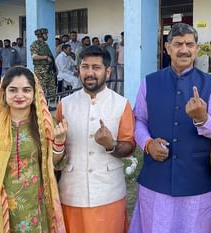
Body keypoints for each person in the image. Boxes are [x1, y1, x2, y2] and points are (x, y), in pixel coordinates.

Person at [129, 22, 211, 233]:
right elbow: (139, 121)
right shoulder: (149, 82)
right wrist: (147, 143)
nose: (184, 49)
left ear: (196, 48)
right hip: (156, 181)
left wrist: (202, 118)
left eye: (189, 44)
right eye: (178, 44)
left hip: (197, 180)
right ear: (167, 48)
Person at [0, 66, 66, 232]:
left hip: (35, 208)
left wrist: (59, 143)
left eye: (26, 90)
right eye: (13, 90)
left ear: (34, 94)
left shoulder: (45, 125)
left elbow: (52, 164)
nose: (20, 95)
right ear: (3, 93)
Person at [55, 45, 135, 233]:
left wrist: (111, 145)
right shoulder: (65, 105)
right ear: (79, 70)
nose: (90, 72)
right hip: (72, 191)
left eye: (96, 67)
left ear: (107, 72)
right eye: (85, 67)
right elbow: (56, 147)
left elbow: (129, 146)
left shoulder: (121, 104)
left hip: (108, 191)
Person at [30, 28, 57, 96]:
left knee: (52, 88)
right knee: (42, 89)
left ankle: (51, 104)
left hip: (49, 70)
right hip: (41, 70)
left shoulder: (45, 44)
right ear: (41, 35)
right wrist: (46, 57)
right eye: (45, 34)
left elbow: (50, 56)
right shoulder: (35, 44)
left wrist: (55, 67)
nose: (47, 36)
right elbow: (34, 56)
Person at [115, 31, 124, 96]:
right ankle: (119, 93)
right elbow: (117, 54)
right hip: (119, 64)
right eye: (122, 36)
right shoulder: (118, 45)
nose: (123, 38)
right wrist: (116, 63)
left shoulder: (130, 44)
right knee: (120, 79)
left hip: (127, 64)